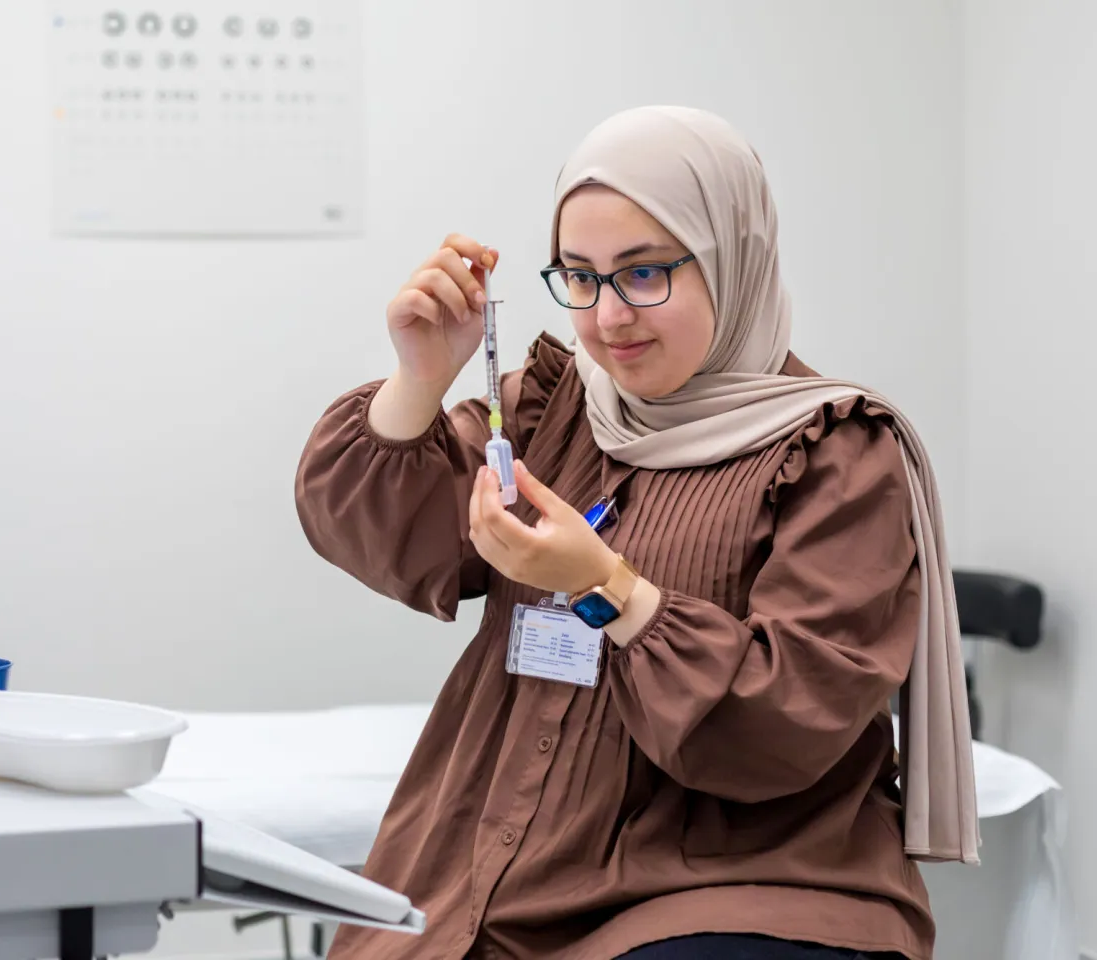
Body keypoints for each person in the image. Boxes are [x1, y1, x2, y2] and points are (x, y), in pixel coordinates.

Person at [295, 105, 973, 960]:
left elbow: (791, 719)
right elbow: (377, 526)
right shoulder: (555, 406)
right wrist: (419, 381)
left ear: (733, 263)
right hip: (504, 872)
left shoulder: (835, 451)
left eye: (645, 273)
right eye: (580, 276)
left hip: (734, 889)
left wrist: (609, 589)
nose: (609, 316)